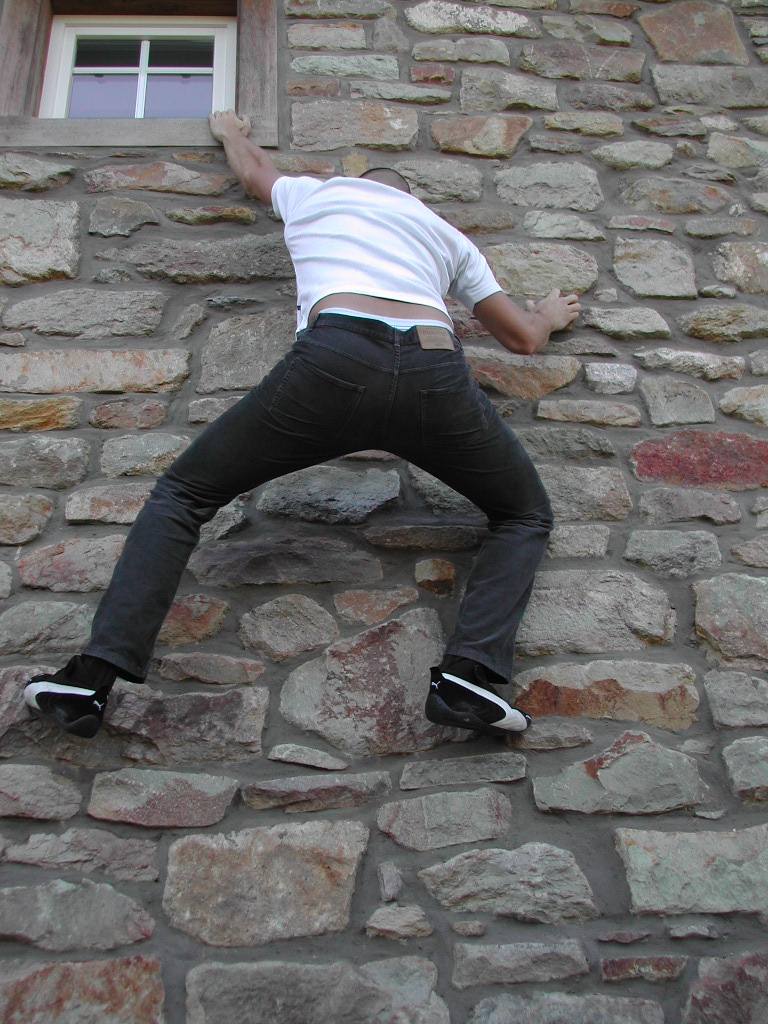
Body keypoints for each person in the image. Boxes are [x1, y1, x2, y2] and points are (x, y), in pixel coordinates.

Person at [23, 109, 580, 741]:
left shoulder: (318, 194)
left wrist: (231, 131)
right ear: (411, 197)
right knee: (525, 513)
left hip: (335, 358)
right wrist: (549, 314)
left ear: (360, 184)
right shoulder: (445, 234)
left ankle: (91, 678)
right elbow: (523, 338)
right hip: (434, 370)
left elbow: (255, 172)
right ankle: (468, 677)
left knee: (183, 493)